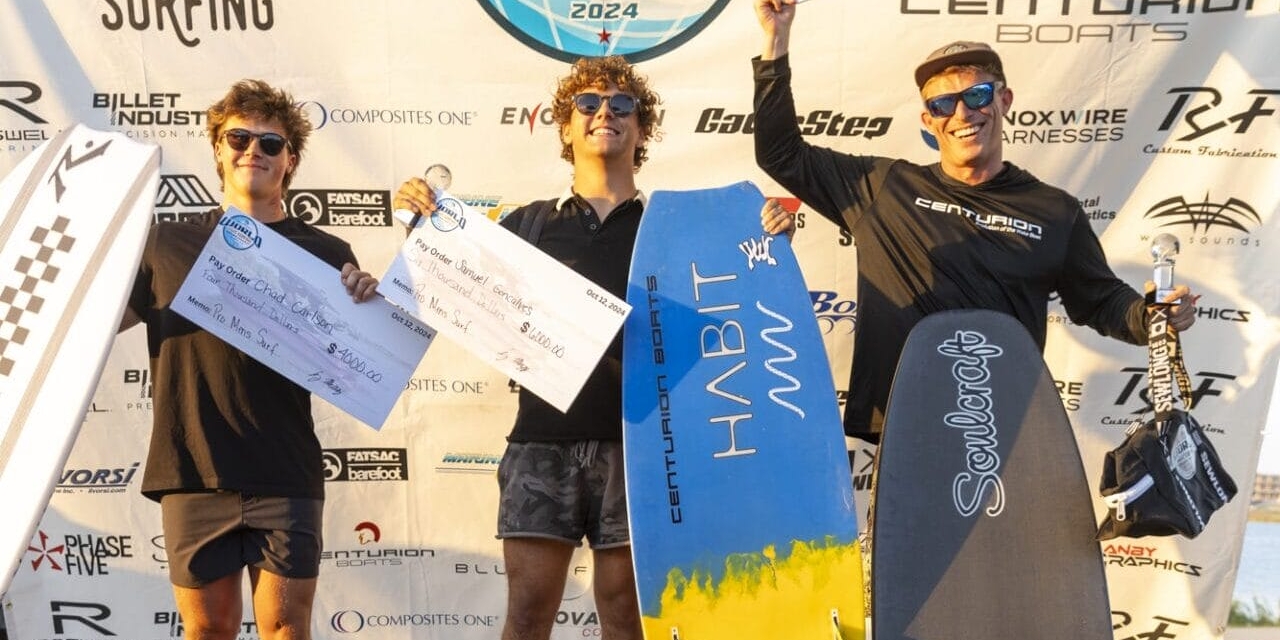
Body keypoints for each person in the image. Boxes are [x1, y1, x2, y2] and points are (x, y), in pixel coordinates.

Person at [752, 0, 1199, 445]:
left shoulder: (1054, 211)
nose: (962, 114)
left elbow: (1102, 303)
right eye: (944, 103)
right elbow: (781, 154)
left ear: (1003, 100)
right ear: (929, 120)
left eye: (977, 95)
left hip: (1000, 431)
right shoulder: (883, 187)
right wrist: (776, 41)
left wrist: (1155, 316)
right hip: (904, 427)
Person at [394, 55, 660, 640]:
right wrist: (420, 226)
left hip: (639, 447)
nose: (604, 114)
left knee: (626, 619)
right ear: (566, 127)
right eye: (587, 104)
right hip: (541, 441)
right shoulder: (527, 223)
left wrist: (765, 235)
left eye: (622, 105)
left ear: (642, 129)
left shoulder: (667, 226)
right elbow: (444, 284)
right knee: (528, 614)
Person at [121, 79, 380, 640]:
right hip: (192, 466)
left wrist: (366, 306)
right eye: (239, 138)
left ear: (290, 160)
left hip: (283, 470)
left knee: (287, 629)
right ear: (218, 148)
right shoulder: (165, 242)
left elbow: (354, 366)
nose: (252, 152)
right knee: (206, 630)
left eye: (270, 143)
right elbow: (87, 327)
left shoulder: (329, 256)